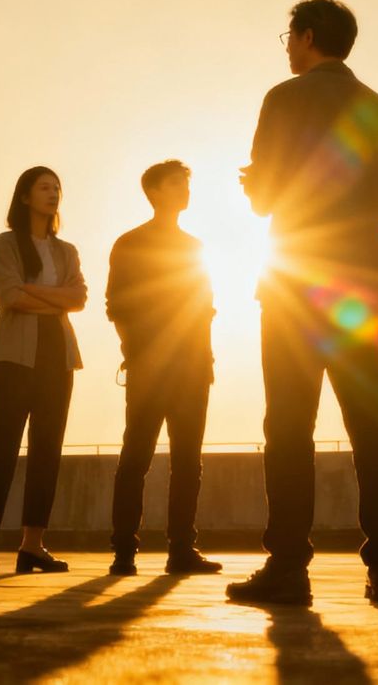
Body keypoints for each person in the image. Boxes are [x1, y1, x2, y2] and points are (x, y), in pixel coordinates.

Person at [227, 0, 378, 605]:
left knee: (289, 425)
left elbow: (266, 197)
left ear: (306, 37)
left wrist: (257, 186)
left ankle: (288, 566)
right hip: (359, 288)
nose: (287, 46)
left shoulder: (285, 98)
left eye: (289, 35)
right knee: (371, 424)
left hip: (298, 284)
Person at [105, 160, 221, 576]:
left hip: (193, 368)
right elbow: (116, 305)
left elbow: (204, 306)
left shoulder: (194, 247)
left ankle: (182, 549)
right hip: (149, 368)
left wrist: (205, 358)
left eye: (186, 183)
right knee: (136, 457)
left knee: (188, 461)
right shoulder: (130, 243)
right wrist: (138, 352)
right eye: (176, 183)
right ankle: (124, 550)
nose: (185, 190)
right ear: (153, 191)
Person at [0, 166, 86, 573]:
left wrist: (33, 290)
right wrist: (55, 298)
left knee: (47, 448)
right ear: (25, 196)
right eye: (44, 187)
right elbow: (9, 296)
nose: (53, 193)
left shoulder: (66, 250)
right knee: (0, 445)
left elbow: (79, 298)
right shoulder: (5, 244)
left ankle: (33, 545)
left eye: (57, 187)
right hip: (15, 352)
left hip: (58, 351)